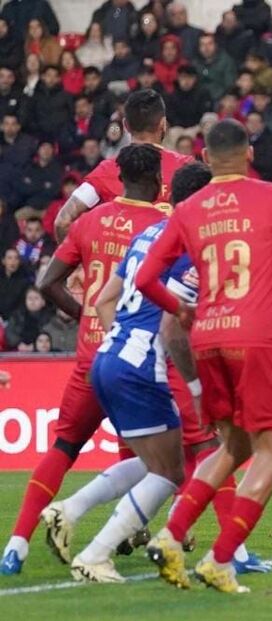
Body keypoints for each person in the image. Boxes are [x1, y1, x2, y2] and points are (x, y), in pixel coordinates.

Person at [137, 119, 272, 594]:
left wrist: (180, 309)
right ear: (249, 154)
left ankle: (170, 534)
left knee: (233, 447)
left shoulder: (188, 209)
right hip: (256, 340)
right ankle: (220, 559)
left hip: (206, 340)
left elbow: (145, 279)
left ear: (205, 157)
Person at [0, 145, 172, 576]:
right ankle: (125, 536)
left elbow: (48, 281)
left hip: (91, 356)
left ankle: (16, 544)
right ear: (156, 181)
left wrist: (86, 316)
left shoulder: (90, 221)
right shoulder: (162, 225)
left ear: (119, 178)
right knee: (165, 456)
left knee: (63, 447)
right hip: (134, 357)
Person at [54, 89, 194, 241]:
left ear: (126, 125)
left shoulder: (107, 169)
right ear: (163, 124)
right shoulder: (187, 167)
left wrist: (78, 256)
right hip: (169, 254)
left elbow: (62, 222)